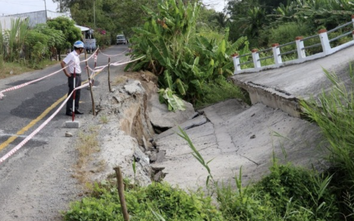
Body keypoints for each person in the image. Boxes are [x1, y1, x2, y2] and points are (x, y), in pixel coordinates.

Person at [61, 40, 85, 116]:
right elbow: (63, 63)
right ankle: (69, 110)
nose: (83, 50)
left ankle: (76, 108)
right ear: (79, 48)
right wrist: (66, 73)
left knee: (77, 93)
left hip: (78, 75)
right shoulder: (71, 55)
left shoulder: (77, 56)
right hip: (73, 76)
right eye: (82, 48)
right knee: (72, 93)